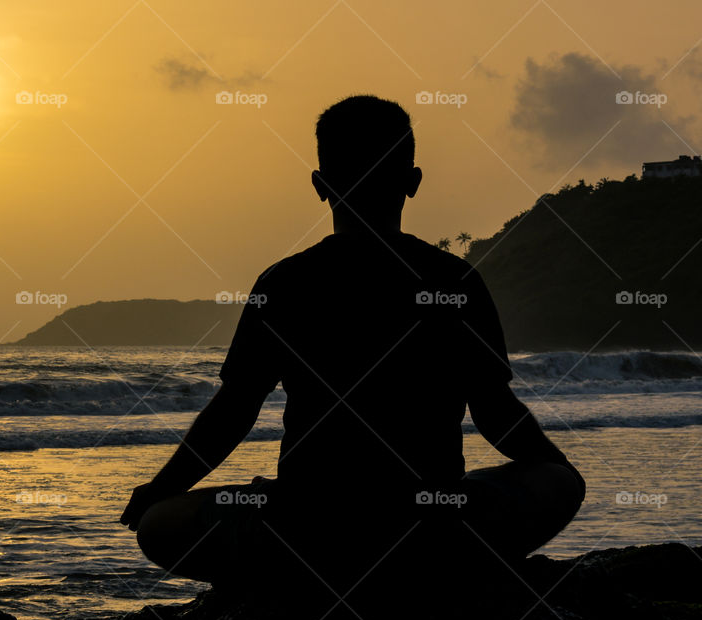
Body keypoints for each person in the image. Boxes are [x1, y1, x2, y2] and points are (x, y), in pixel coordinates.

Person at [120, 95, 585, 589]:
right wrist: (553, 463)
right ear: (413, 182)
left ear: (321, 186)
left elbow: (233, 411)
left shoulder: (284, 283)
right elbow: (497, 413)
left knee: (160, 524)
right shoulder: (454, 281)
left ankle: (298, 574)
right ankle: (436, 563)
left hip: (308, 527)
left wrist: (161, 488)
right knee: (560, 484)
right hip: (430, 520)